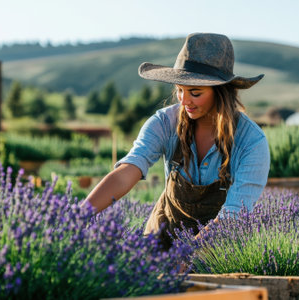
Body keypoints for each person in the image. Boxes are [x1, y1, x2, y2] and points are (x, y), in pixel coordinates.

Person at [83, 33, 270, 250]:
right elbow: (128, 171)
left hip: (219, 253)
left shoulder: (251, 142)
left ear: (221, 92)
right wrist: (78, 215)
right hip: (161, 242)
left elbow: (235, 214)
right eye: (180, 90)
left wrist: (187, 254)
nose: (184, 100)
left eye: (195, 93)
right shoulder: (164, 123)